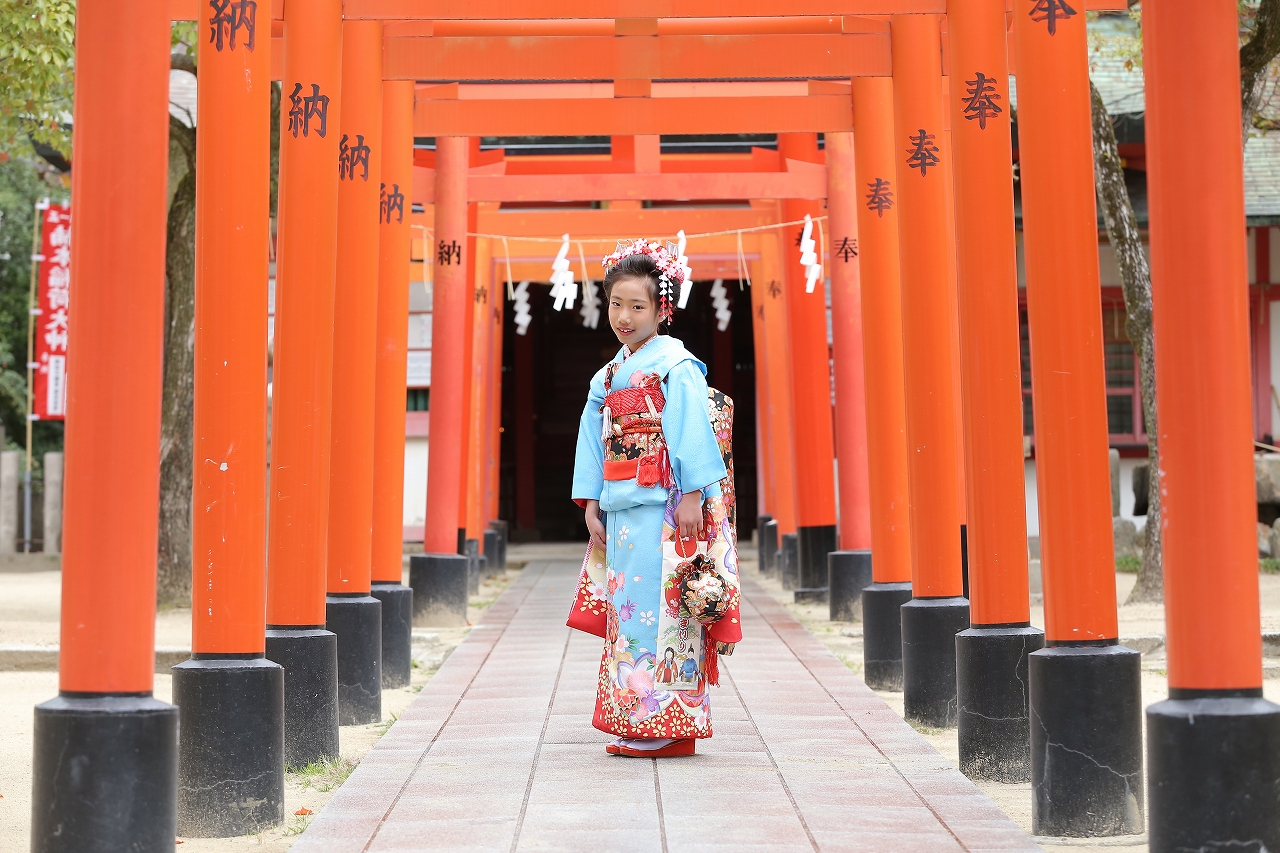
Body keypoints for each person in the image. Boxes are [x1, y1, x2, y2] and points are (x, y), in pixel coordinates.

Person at [571, 239, 738, 759]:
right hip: (622, 507)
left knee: (662, 612)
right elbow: (593, 438)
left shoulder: (677, 365)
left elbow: (690, 429)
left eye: (637, 306)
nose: (624, 316)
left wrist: (692, 494)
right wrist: (592, 501)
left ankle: (669, 723)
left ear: (662, 307)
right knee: (630, 611)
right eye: (616, 304)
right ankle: (642, 719)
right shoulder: (609, 374)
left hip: (665, 509)